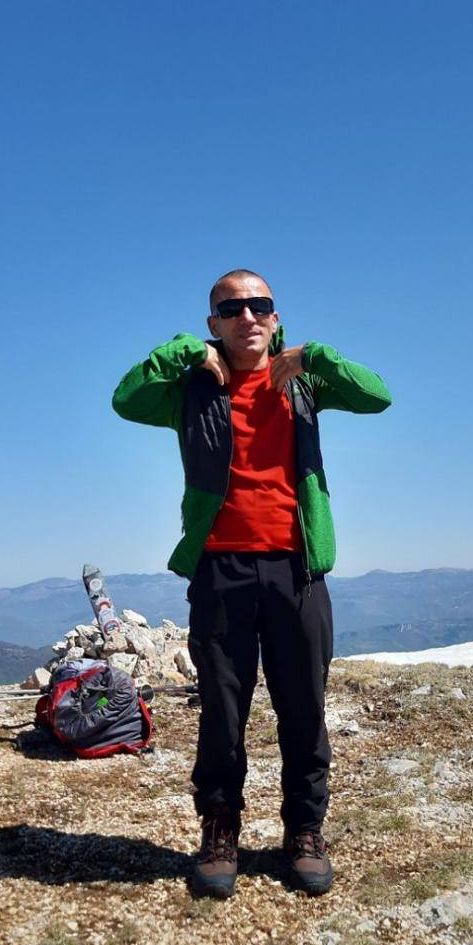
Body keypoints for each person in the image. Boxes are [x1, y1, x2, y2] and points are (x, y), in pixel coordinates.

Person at [112, 269, 392, 898]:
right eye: (232, 308)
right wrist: (186, 353)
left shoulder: (304, 379)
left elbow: (377, 395)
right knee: (222, 710)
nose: (248, 317)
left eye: (259, 306)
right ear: (214, 322)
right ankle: (220, 831)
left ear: (275, 317)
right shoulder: (192, 386)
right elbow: (125, 399)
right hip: (221, 568)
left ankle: (305, 831)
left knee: (304, 708)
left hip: (298, 569)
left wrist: (313, 356)